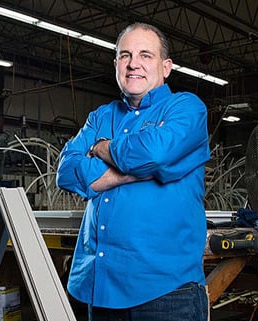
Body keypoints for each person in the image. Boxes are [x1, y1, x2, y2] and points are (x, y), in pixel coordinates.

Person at [56, 22, 210, 321]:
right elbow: (66, 170)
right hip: (98, 286)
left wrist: (102, 149)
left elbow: (154, 153)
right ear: (116, 65)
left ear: (166, 67)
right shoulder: (101, 116)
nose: (133, 64)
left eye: (145, 55)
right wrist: (131, 171)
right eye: (125, 55)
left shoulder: (187, 109)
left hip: (165, 292)